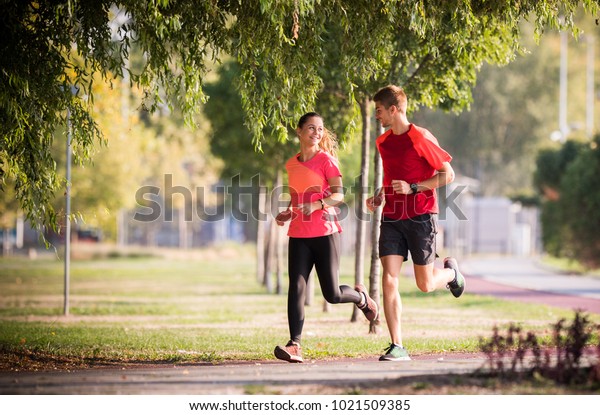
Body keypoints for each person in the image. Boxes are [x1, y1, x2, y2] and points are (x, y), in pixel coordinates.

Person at [366, 85, 465, 362]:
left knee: (425, 284)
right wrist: (379, 195)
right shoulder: (383, 142)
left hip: (421, 216)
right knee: (389, 278)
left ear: (394, 110)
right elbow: (390, 177)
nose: (377, 116)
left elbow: (448, 175)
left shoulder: (420, 137)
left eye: (380, 111)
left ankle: (452, 274)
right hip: (392, 218)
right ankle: (397, 345)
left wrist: (413, 187)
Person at [273, 112, 378, 363]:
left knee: (332, 293)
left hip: (325, 232)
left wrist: (319, 205)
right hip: (298, 232)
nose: (316, 133)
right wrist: (288, 212)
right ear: (298, 131)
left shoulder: (326, 160)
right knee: (296, 287)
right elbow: (298, 196)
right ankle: (294, 344)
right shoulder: (291, 164)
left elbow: (339, 195)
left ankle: (362, 298)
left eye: (320, 129)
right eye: (311, 128)